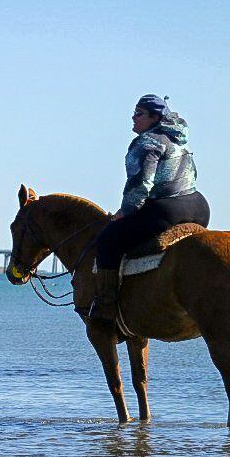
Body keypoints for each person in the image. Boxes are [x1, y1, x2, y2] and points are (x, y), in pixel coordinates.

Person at [89, 94, 210, 322]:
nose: (133, 118)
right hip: (198, 206)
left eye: (139, 113)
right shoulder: (178, 138)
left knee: (108, 239)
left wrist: (125, 211)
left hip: (168, 209)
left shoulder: (148, 141)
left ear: (155, 117)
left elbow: (141, 183)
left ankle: (106, 307)